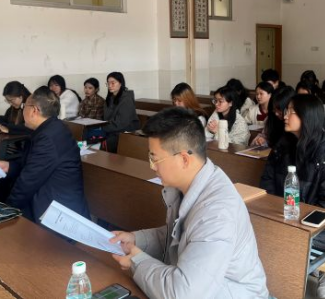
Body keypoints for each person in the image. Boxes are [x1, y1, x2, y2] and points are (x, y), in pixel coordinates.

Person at [110, 108, 269, 299]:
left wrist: (137, 261)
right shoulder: (188, 184)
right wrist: (136, 240)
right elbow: (179, 236)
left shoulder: (217, 213)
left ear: (184, 159)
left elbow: (184, 294)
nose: (152, 167)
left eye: (155, 159)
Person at [260, 94, 325, 299]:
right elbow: (267, 184)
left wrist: (296, 228)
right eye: (286, 110)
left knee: (274, 257)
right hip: (281, 220)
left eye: (292, 111)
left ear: (307, 117)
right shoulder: (282, 146)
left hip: (315, 232)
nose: (285, 115)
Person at [0, 87, 90, 222]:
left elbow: (27, 182)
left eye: (24, 106)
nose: (22, 110)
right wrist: (10, 166)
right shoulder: (50, 128)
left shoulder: (48, 137)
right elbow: (33, 167)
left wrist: (6, 211)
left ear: (34, 110)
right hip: (45, 197)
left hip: (57, 214)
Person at [103, 72, 140, 153]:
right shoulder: (110, 98)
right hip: (112, 129)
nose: (110, 86)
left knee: (105, 143)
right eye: (108, 83)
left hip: (125, 131)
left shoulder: (126, 99)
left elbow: (121, 122)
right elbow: (105, 117)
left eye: (113, 83)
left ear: (120, 83)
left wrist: (102, 128)